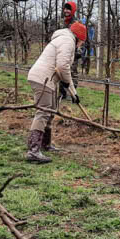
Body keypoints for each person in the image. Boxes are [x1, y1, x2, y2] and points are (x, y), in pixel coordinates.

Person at [25, 21, 87, 163]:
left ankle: (45, 144)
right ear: (79, 38)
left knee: (51, 110)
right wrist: (66, 84)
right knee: (43, 111)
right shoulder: (68, 41)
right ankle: (33, 150)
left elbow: (64, 69)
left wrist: (73, 93)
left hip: (47, 79)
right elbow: (62, 65)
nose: (81, 45)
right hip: (43, 79)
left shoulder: (64, 39)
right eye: (82, 42)